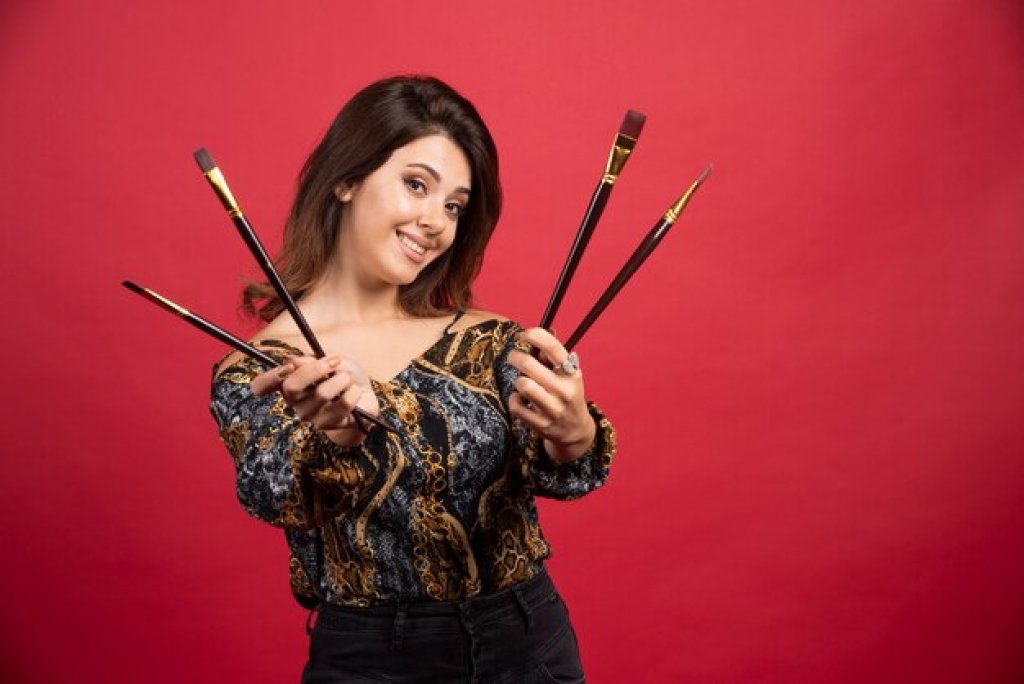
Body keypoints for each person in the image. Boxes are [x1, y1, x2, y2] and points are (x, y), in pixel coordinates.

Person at [210, 75, 616, 684]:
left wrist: (574, 429)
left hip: (526, 642)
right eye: (416, 185)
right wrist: (337, 436)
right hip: (373, 659)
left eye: (454, 205)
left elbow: (565, 473)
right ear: (347, 179)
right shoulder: (260, 367)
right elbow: (275, 497)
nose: (435, 222)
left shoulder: (489, 341)